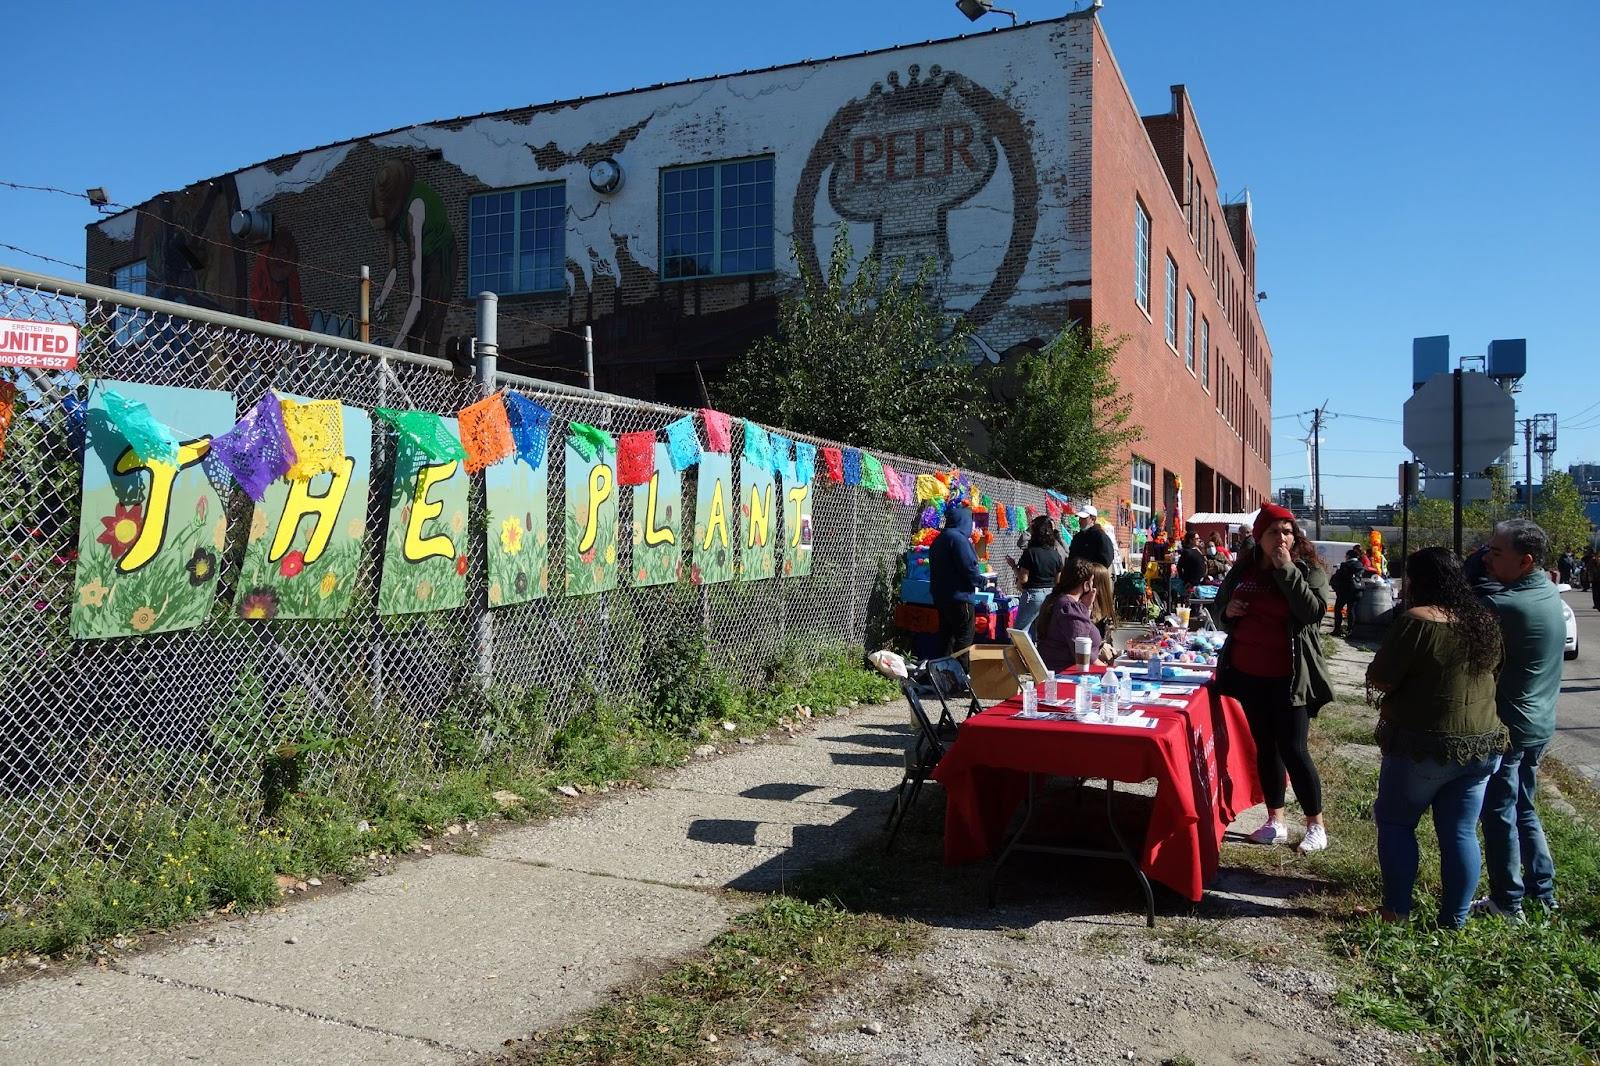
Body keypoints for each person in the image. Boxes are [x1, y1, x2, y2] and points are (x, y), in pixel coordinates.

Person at [1366, 548, 1507, 928]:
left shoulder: (1417, 621)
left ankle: (1396, 910)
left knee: (1396, 824)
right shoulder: (1483, 620)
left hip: (1422, 744)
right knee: (1461, 832)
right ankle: (1454, 920)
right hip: (1481, 744)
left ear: (1418, 581)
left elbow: (1381, 677)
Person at [1213, 503, 1335, 853]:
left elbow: (1312, 612)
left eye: (1287, 531)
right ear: (1259, 537)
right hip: (1250, 675)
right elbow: (1220, 610)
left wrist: (1286, 570)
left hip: (1290, 677)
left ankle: (1315, 826)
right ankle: (1275, 820)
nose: (1282, 537)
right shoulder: (1244, 570)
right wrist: (1228, 612)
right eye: (1273, 531)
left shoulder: (1307, 569)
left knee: (1294, 749)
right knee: (1265, 749)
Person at [1475, 519, 1566, 918]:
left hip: (1510, 726)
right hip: (1540, 721)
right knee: (1524, 808)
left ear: (1525, 561)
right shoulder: (1547, 590)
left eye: (1495, 552)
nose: (1486, 557)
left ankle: (1507, 901)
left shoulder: (1504, 606)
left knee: (1498, 812)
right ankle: (1542, 892)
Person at [1036, 557, 1116, 671]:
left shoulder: (1055, 600)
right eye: (1092, 581)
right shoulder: (1069, 607)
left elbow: (1081, 630)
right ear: (1086, 584)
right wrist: (1112, 672)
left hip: (1058, 670)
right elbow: (1083, 653)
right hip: (1068, 674)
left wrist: (1086, 607)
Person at [929, 503, 985, 658]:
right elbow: (969, 567)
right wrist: (981, 581)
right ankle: (960, 673)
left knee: (945, 636)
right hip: (960, 597)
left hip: (941, 596)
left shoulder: (939, 539)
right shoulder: (959, 540)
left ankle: (942, 671)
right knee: (964, 637)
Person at [1010, 516, 1064, 634]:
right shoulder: (1055, 554)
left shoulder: (1031, 553)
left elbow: (1023, 579)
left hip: (1033, 594)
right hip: (1049, 594)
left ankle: (1020, 652)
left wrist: (1014, 566)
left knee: (1020, 631)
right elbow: (1058, 580)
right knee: (1040, 631)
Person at [1330, 547, 1368, 637]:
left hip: (1345, 591)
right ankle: (1350, 630)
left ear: (1348, 556)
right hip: (1356, 591)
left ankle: (1337, 630)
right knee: (1351, 610)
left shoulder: (1345, 565)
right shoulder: (1360, 564)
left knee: (1338, 609)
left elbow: (1338, 577)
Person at [1176, 531, 1208, 598]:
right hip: (1191, 584)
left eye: (1199, 538)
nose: (1198, 540)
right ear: (1190, 540)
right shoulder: (1187, 552)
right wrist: (1184, 580)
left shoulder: (1197, 550)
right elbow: (1179, 566)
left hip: (1200, 582)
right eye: (1196, 538)